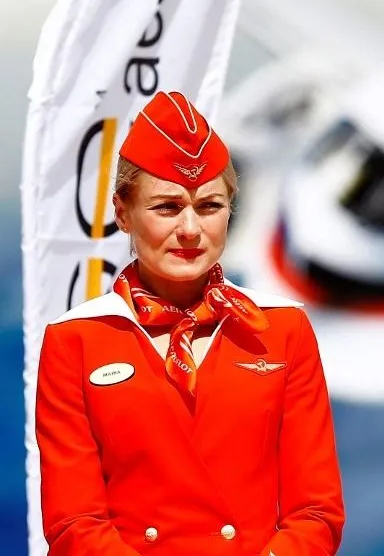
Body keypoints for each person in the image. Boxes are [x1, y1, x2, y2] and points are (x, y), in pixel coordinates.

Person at [34, 90, 345, 555]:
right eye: (166, 207)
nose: (190, 230)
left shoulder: (283, 329)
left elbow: (317, 513)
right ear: (122, 212)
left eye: (209, 206)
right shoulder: (76, 339)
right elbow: (73, 522)